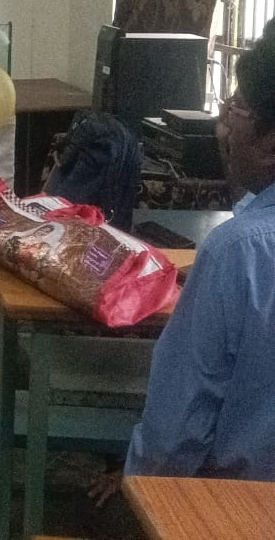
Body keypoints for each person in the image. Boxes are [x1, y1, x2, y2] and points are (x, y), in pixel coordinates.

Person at [124, 32, 275, 480]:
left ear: (271, 143)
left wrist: (133, 484)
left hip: (232, 506)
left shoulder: (236, 252)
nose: (223, 124)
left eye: (237, 108)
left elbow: (173, 438)